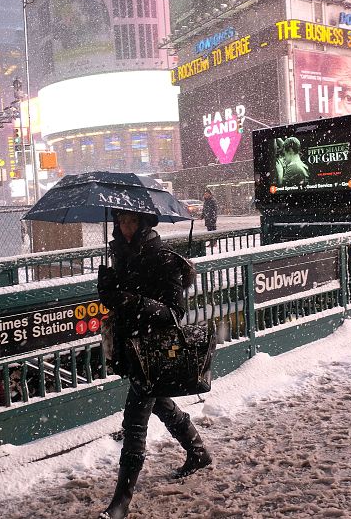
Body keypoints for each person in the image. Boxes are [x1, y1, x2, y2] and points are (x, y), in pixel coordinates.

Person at [96, 210, 211, 519]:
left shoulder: (163, 259)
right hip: (131, 348)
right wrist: (108, 291)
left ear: (144, 223)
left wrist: (137, 302)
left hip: (153, 351)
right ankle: (198, 452)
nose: (125, 227)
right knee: (158, 402)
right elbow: (119, 303)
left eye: (131, 221)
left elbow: (175, 313)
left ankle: (121, 501)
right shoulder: (120, 254)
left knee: (134, 421)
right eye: (121, 222)